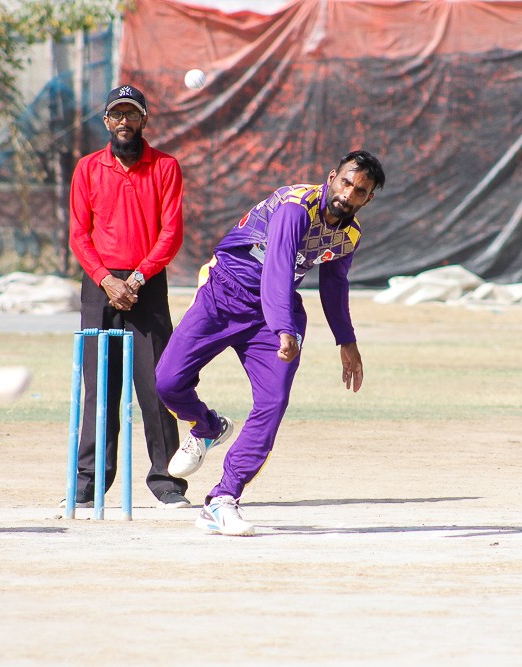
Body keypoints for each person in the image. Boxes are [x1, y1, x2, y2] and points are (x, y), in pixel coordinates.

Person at [156, 150, 386, 535]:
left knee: (273, 402)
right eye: (346, 182)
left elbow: (334, 284)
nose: (349, 194)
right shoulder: (296, 208)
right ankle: (207, 426)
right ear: (332, 176)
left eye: (360, 191)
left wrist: (346, 341)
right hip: (224, 293)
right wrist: (284, 328)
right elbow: (277, 266)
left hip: (272, 314)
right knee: (167, 383)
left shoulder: (349, 235)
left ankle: (222, 500)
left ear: (369, 199)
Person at [66, 84, 190, 509]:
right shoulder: (88, 167)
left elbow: (171, 233)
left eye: (132, 114)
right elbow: (79, 234)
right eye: (117, 114)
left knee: (157, 384)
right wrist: (106, 279)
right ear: (106, 121)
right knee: (100, 386)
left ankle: (167, 481)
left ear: (144, 120)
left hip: (146, 283)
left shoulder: (165, 166)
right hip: (99, 284)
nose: (124, 121)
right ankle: (89, 482)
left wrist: (136, 279)